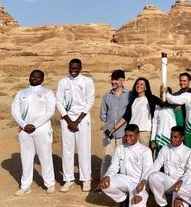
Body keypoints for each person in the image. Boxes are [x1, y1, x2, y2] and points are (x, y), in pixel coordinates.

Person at [11, 69, 57, 195]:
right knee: (26, 158)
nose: (34, 79)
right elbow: (15, 110)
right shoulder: (21, 93)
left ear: (42, 79)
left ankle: (50, 183)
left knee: (45, 156)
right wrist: (24, 125)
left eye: (38, 77)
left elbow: (50, 111)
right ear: (29, 77)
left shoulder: (47, 92)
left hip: (42, 129)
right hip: (25, 130)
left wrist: (35, 125)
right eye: (32, 76)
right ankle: (25, 185)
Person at [56, 58, 95, 193]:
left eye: (76, 68)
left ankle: (86, 179)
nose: (73, 70)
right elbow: (59, 102)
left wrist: (77, 121)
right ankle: (68, 180)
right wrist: (68, 120)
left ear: (80, 68)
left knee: (84, 148)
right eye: (71, 68)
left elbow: (90, 101)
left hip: (82, 118)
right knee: (67, 149)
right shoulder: (63, 82)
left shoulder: (87, 81)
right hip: (67, 119)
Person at [99, 124, 153, 207]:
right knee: (104, 185)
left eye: (131, 136)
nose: (128, 138)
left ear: (138, 135)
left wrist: (141, 189)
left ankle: (141, 196)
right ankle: (123, 199)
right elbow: (114, 166)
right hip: (123, 179)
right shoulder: (120, 148)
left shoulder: (146, 151)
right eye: (126, 135)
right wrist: (107, 176)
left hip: (138, 184)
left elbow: (147, 171)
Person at [141, 126, 191, 207]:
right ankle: (163, 204)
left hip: (180, 184)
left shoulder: (188, 152)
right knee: (153, 176)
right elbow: (155, 166)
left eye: (175, 137)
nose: (172, 139)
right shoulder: (165, 148)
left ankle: (181, 199)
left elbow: (189, 173)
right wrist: (144, 179)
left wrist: (181, 182)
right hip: (168, 182)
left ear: (182, 138)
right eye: (171, 137)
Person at [112, 77, 163, 147]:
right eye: (137, 84)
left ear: (146, 88)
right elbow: (126, 116)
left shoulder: (151, 98)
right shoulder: (133, 100)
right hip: (131, 132)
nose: (139, 86)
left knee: (142, 155)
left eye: (142, 84)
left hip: (144, 132)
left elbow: (163, 103)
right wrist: (114, 128)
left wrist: (163, 92)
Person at [99, 69, 130, 179]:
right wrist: (109, 126)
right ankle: (103, 181)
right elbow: (103, 114)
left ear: (122, 81)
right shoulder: (107, 96)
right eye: (112, 79)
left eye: (116, 80)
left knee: (123, 159)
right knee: (107, 158)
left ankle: (120, 181)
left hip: (124, 133)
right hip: (109, 133)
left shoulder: (129, 95)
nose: (113, 82)